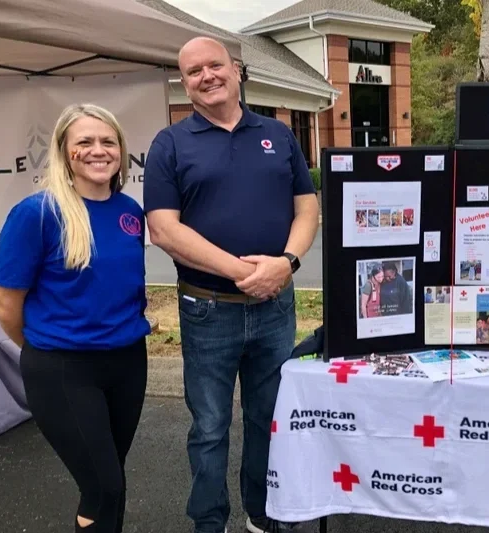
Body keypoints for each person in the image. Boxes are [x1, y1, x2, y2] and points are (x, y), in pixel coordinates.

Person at [142, 36, 319, 533]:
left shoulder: (279, 134)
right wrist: (244, 273)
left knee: (269, 418)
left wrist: (286, 262)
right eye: (193, 71)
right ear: (185, 83)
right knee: (210, 427)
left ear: (236, 70)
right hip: (207, 310)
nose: (206, 76)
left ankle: (261, 514)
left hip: (276, 307)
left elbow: (307, 207)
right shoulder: (170, 144)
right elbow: (163, 228)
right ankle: (209, 521)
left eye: (214, 65)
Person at [0, 103, 150, 533]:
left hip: (128, 362)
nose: (98, 150)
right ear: (65, 151)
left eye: (108, 141)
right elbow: (4, 302)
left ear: (121, 150)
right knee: (104, 486)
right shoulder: (37, 213)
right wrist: (43, 349)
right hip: (63, 369)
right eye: (85, 142)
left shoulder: (130, 211)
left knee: (111, 479)